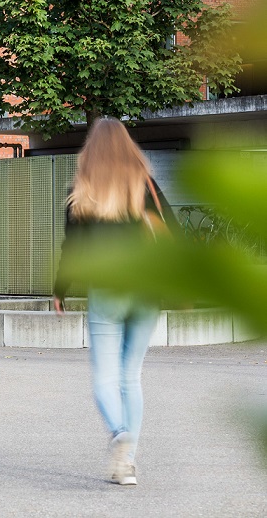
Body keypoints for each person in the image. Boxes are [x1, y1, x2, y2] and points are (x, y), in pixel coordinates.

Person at [53, 118, 177, 486]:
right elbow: (174, 235)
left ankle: (119, 433)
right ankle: (129, 463)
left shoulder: (82, 193)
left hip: (107, 290)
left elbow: (72, 250)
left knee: (105, 378)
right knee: (131, 376)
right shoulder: (146, 187)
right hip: (146, 288)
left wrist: (60, 289)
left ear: (90, 151)